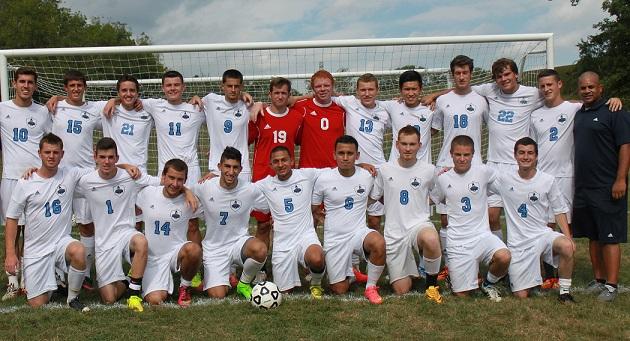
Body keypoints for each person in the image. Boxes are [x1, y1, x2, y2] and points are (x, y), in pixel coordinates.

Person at [530, 69, 622, 289]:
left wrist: (614, 99)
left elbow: (596, 103)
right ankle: (547, 274)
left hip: (568, 177)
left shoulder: (575, 109)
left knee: (566, 226)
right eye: (542, 86)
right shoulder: (535, 115)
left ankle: (567, 271)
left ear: (559, 84)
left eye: (550, 84)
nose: (546, 89)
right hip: (542, 178)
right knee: (544, 225)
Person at [4, 133, 90, 311]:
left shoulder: (71, 174)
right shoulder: (26, 182)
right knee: (37, 303)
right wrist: (10, 254)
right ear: (39, 153)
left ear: (62, 154)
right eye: (47, 152)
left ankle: (72, 298)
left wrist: (126, 166)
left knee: (79, 250)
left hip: (60, 243)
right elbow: (12, 218)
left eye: (56, 152)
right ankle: (52, 281)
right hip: (36, 250)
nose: (51, 156)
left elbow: (104, 169)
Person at [75, 137, 157, 311]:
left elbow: (160, 182)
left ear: (117, 158)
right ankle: (129, 279)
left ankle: (134, 294)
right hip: (104, 242)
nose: (106, 161)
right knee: (109, 299)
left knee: (141, 242)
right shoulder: (86, 182)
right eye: (102, 157)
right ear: (95, 157)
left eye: (111, 157)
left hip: (126, 234)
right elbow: (59, 185)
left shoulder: (130, 176)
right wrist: (35, 172)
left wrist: (187, 191)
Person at [491, 137, 576, 302]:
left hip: (542, 235)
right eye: (521, 153)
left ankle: (564, 292)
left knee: (566, 246)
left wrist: (568, 236)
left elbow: (559, 210)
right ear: (515, 156)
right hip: (519, 243)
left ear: (536, 156)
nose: (526, 157)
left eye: (530, 153)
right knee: (521, 295)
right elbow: (478, 182)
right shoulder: (504, 179)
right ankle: (518, 276)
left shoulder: (547, 180)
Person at [572, 71, 630, 302]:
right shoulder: (579, 114)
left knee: (609, 236)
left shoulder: (615, 112)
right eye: (583, 88)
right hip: (584, 187)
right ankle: (598, 280)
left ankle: (612, 285)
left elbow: (625, 146)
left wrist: (621, 179)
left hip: (607, 186)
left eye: (591, 87)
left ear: (600, 88)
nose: (587, 91)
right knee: (593, 236)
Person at [432, 135, 511, 301]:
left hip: (482, 236)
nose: (462, 159)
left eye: (466, 155)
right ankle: (454, 275)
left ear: (473, 154)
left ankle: (488, 283)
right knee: (462, 295)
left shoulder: (484, 172)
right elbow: (434, 199)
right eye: (458, 155)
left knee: (504, 256)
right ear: (451, 154)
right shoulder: (443, 178)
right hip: (458, 241)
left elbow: (506, 184)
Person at [46, 70, 105, 290]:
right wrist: (55, 99)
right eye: (72, 85)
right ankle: (57, 272)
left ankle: (86, 273)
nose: (76, 89)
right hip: (57, 175)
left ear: (85, 87)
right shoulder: (55, 108)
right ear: (65, 88)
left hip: (84, 175)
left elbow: (119, 101)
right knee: (55, 225)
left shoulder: (94, 109)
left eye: (80, 85)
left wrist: (118, 99)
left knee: (86, 226)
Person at [369, 126, 443, 303]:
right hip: (394, 232)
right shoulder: (385, 169)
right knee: (402, 290)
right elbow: (373, 197)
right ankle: (410, 270)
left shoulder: (429, 169)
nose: (408, 148)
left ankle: (431, 286)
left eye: (412, 144)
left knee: (431, 239)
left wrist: (420, 202)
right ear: (396, 144)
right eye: (404, 144)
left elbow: (438, 195)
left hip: (419, 225)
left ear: (420, 145)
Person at [431, 55, 488, 277]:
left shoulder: (482, 100)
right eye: (457, 73)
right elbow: (432, 130)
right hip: (446, 164)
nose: (461, 76)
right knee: (446, 218)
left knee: (473, 216)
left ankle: (475, 262)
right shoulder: (443, 101)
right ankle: (448, 265)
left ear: (471, 74)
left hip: (473, 165)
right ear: (452, 75)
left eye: (465, 72)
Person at [312, 135, 386, 304]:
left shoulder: (367, 176)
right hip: (335, 238)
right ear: (334, 155)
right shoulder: (323, 179)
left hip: (358, 233)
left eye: (350, 154)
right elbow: (315, 208)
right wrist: (321, 217)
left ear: (357, 155)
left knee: (379, 242)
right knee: (340, 289)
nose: (345, 157)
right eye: (341, 153)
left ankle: (371, 287)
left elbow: (372, 198)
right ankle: (352, 274)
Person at [0, 67, 52, 300]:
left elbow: (51, 142)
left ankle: (28, 280)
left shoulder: (42, 112)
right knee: (12, 231)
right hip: (11, 178)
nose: (26, 86)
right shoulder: (2, 110)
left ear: (36, 86)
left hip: (35, 180)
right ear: (14, 83)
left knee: (33, 232)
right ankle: (12, 280)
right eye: (22, 81)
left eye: (30, 82)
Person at [192, 147, 268, 300]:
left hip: (238, 243)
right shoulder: (205, 186)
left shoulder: (249, 190)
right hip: (214, 249)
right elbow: (185, 191)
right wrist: (187, 192)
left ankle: (243, 283)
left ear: (240, 169)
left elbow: (270, 206)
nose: (231, 172)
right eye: (227, 166)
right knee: (218, 295)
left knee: (260, 249)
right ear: (219, 166)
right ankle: (223, 273)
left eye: (235, 167)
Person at [253, 146, 326, 298]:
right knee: (284, 292)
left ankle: (316, 284)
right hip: (283, 242)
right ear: (270, 165)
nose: (281, 165)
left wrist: (360, 166)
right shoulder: (266, 184)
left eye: (284, 160)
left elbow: (334, 172)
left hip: (305, 236)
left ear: (292, 160)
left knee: (317, 258)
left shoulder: (306, 175)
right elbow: (240, 191)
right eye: (276, 161)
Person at [136, 159, 202, 307]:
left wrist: (187, 191)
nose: (175, 183)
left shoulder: (190, 201)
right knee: (155, 300)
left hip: (175, 254)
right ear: (163, 177)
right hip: (152, 257)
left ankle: (185, 287)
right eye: (171, 178)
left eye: (180, 180)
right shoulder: (147, 193)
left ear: (185, 180)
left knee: (194, 249)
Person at [249, 78, 303, 254]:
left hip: (286, 179)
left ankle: (289, 261)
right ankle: (261, 268)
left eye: (284, 93)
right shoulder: (258, 115)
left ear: (289, 95)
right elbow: (244, 141)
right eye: (276, 93)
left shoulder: (297, 117)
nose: (280, 96)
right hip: (262, 177)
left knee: (287, 224)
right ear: (269, 94)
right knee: (263, 225)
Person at [332, 73, 390, 230]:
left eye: (371, 89)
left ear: (377, 90)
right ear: (357, 91)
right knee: (350, 215)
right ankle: (351, 252)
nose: (367, 93)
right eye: (363, 90)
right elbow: (324, 95)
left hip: (377, 169)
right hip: (353, 168)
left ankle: (372, 254)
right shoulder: (349, 102)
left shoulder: (385, 111)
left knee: (374, 221)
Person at [195, 69, 254, 181]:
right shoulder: (210, 100)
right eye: (229, 86)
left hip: (242, 169)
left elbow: (270, 108)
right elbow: (187, 111)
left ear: (241, 87)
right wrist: (194, 98)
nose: (233, 90)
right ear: (222, 86)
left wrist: (260, 103)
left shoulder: (247, 105)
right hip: (217, 169)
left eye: (236, 86)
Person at [101, 74, 154, 173]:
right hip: (114, 172)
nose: (128, 94)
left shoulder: (148, 114)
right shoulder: (107, 109)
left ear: (137, 93)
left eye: (132, 90)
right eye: (124, 90)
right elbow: (73, 102)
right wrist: (113, 100)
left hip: (138, 172)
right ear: (118, 93)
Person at [380, 70, 434, 163]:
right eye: (407, 89)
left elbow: (453, 93)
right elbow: (368, 101)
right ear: (400, 90)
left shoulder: (430, 108)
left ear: (420, 89)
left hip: (422, 169)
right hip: (396, 167)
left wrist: (434, 96)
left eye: (414, 89)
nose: (410, 93)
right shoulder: (393, 106)